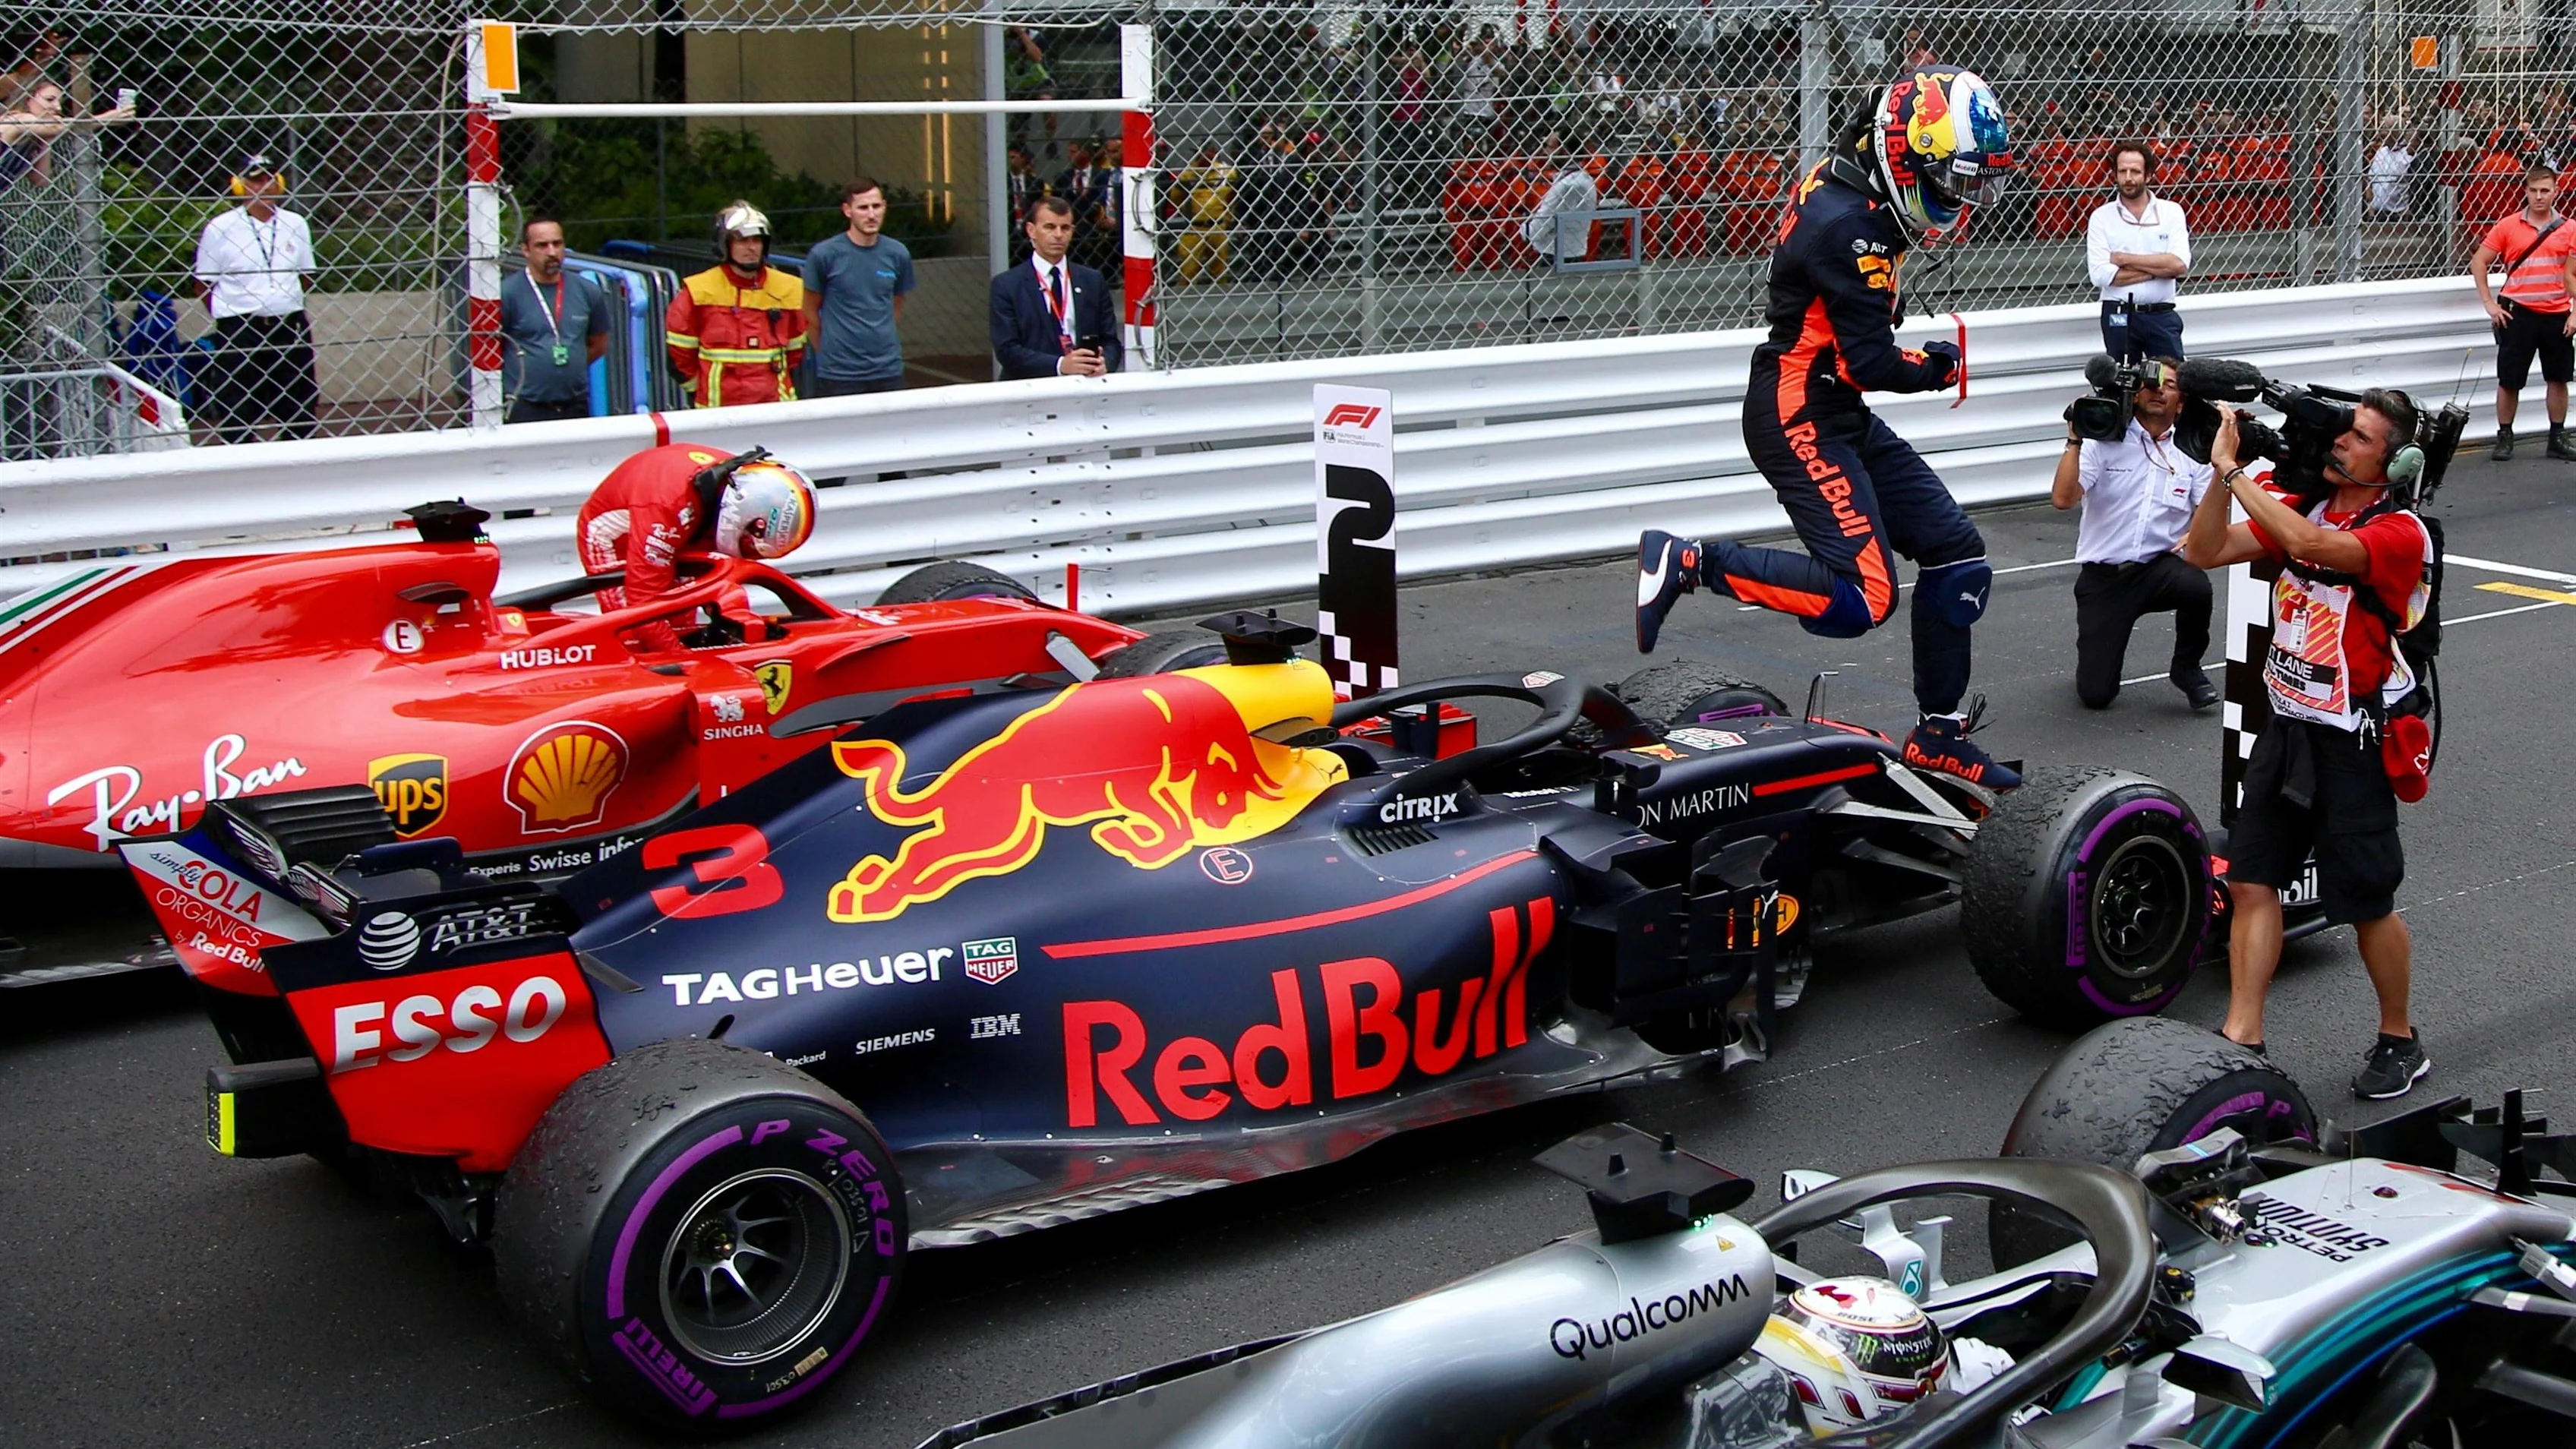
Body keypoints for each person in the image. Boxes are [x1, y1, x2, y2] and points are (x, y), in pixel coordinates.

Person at [1637, 68, 2019, 788]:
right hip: (1798, 411)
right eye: (1950, 180)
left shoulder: (1856, 177)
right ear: (1905, 156)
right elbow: (1875, 362)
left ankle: (1938, 734)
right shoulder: (1853, 227)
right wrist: (1939, 367)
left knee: (1956, 555)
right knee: (1860, 601)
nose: (1960, 200)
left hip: (1831, 401)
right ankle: (1687, 562)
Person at [2180, 390, 2436, 1100]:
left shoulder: (2400, 532)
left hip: (2355, 739)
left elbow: (2309, 549)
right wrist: (2217, 471)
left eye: (2356, 438)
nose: (2339, 444)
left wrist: (2236, 475)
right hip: (2288, 729)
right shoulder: (2307, 501)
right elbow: (2203, 551)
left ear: (2393, 462)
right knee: (2252, 879)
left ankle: (2399, 1037)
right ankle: (2243, 1035)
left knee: (2367, 901)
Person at [2050, 356, 2220, 712]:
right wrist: (2075, 440)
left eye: (2170, 386)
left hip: (2158, 569)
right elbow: (2063, 499)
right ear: (2136, 392)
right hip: (2105, 578)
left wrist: (2193, 537)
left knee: (2196, 585)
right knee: (2096, 695)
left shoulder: (2192, 452)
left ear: (2182, 402)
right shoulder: (2103, 440)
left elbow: (2210, 508)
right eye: (2151, 383)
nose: (2159, 390)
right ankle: (2095, 653)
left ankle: (2187, 669)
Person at [575, 443, 818, 653]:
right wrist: (684, 663)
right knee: (635, 636)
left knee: (683, 625)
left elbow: (721, 583)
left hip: (679, 523)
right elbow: (642, 605)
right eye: (749, 543)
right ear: (747, 512)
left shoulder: (739, 483)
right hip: (619, 537)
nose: (750, 552)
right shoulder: (670, 508)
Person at [191, 152, 318, 444]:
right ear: (240, 186)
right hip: (241, 326)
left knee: (299, 399)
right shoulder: (221, 227)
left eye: (270, 179)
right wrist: (230, 311)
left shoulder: (295, 223)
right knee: (239, 402)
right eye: (256, 180)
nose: (264, 186)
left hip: (288, 323)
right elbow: (203, 283)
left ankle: (300, 459)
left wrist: (283, 299)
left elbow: (305, 274)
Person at [2470, 164, 2576, 462]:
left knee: (2558, 378)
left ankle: (2557, 435)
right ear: (2525, 191)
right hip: (2518, 314)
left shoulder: (2570, 229)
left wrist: (2574, 313)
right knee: (2509, 380)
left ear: (2556, 192)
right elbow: (2479, 262)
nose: (2539, 197)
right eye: (2533, 191)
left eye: (2545, 191)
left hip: (2557, 313)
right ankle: (2505, 435)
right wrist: (2490, 304)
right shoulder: (2508, 226)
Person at [666, 200, 806, 409]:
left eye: (757, 240)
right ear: (725, 244)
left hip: (776, 407)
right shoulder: (699, 290)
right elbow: (679, 358)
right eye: (742, 241)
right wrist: (703, 388)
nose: (751, 248)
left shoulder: (789, 288)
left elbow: (795, 353)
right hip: (717, 410)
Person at [800, 176, 916, 398]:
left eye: (876, 206)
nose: (871, 215)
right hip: (840, 375)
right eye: (863, 208)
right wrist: (828, 354)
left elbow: (895, 305)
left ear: (884, 208)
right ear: (847, 210)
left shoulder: (898, 253)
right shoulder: (824, 255)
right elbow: (809, 312)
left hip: (888, 370)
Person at [991, 194, 1121, 380]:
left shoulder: (1092, 281)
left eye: (1065, 228)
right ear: (1031, 230)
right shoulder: (1007, 285)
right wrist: (1060, 365)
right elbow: (1007, 350)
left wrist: (1105, 363)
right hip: (1029, 391)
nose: (1059, 235)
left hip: (1084, 388)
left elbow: (1111, 342)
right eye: (1050, 227)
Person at [2085, 141, 2192, 361]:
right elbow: (2101, 275)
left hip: (2161, 314)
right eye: (2122, 171)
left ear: (2149, 175)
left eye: (2135, 171)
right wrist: (2158, 270)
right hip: (2119, 313)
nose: (2128, 178)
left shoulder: (2171, 212)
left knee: (2171, 382)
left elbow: (2179, 264)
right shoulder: (2101, 217)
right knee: (2121, 385)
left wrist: (2124, 259)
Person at [500, 216, 609, 425]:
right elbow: (493, 348)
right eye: (542, 245)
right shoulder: (508, 293)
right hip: (525, 405)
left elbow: (599, 344)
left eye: (557, 244)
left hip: (574, 403)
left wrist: (568, 365)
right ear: (526, 250)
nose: (552, 252)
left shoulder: (587, 291)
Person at [1523, 136, 1598, 266]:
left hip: (1554, 255)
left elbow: (1539, 227)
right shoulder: (1584, 179)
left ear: (1565, 152)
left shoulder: (1567, 186)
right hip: (1569, 250)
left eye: (1550, 147)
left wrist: (1525, 230)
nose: (1545, 151)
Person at [2366, 131, 2414, 219]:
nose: (2380, 133)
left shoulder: (2407, 154)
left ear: (2394, 133)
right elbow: (2370, 179)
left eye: (2385, 129)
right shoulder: (2381, 152)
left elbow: (2414, 183)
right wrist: (2370, 207)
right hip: (2377, 213)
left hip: (2399, 214)